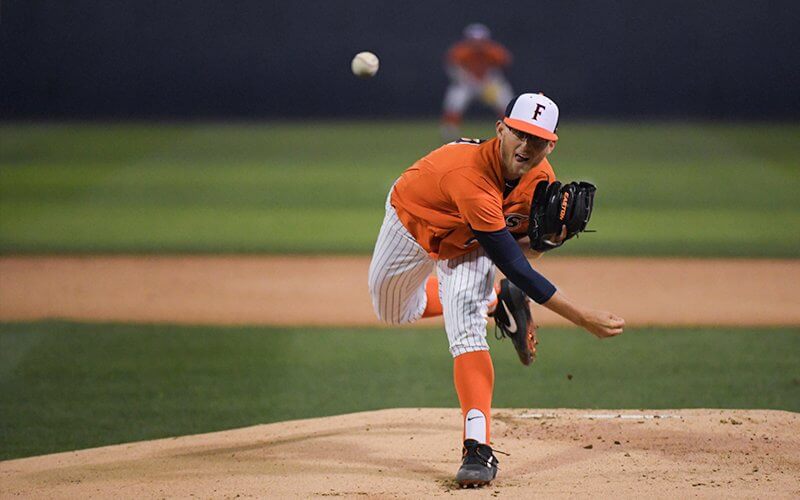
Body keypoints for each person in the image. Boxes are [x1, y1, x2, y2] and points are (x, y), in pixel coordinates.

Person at [368, 93, 625, 487]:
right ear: (501, 129)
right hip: (413, 224)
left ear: (551, 144)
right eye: (519, 134)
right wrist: (582, 317)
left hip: (471, 246)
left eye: (537, 140)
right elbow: (514, 266)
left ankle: (478, 447)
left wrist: (547, 240)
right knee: (394, 311)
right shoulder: (469, 176)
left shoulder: (541, 179)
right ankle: (495, 301)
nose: (526, 147)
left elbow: (523, 247)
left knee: (466, 329)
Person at [441, 23, 515, 141]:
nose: (477, 45)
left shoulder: (494, 51)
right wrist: (463, 77)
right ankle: (450, 131)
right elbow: (452, 66)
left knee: (505, 101)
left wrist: (493, 79)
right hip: (467, 82)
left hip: (487, 83)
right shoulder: (460, 52)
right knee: (455, 100)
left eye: (480, 41)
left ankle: (511, 130)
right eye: (474, 41)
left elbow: (505, 63)